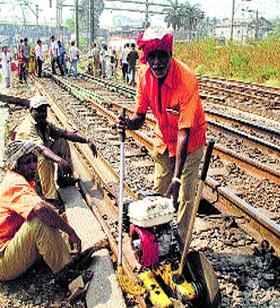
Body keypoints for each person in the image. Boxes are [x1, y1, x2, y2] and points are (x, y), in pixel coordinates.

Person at [119, 27, 207, 224]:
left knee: (184, 196)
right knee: (158, 192)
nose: (157, 62)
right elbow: (139, 116)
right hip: (164, 140)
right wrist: (128, 123)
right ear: (146, 58)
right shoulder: (143, 75)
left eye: (162, 56)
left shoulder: (187, 80)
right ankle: (159, 239)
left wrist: (177, 179)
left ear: (170, 54)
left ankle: (181, 246)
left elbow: (184, 132)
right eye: (152, 57)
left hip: (190, 143)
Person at [0, 140, 106, 285]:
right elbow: (40, 209)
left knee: (55, 216)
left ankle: (69, 257)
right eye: (27, 162)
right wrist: (70, 231)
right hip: (3, 262)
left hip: (12, 246)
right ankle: (65, 274)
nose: (33, 166)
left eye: (34, 161)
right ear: (16, 165)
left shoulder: (20, 179)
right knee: (41, 218)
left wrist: (61, 223)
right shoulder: (14, 183)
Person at [15, 95, 98, 203]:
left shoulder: (44, 123)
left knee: (61, 142)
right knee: (44, 158)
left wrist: (87, 140)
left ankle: (62, 178)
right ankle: (50, 197)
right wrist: (59, 160)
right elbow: (41, 149)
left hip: (36, 155)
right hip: (25, 164)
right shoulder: (28, 127)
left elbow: (64, 133)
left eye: (44, 110)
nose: (42, 113)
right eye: (39, 110)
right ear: (31, 110)